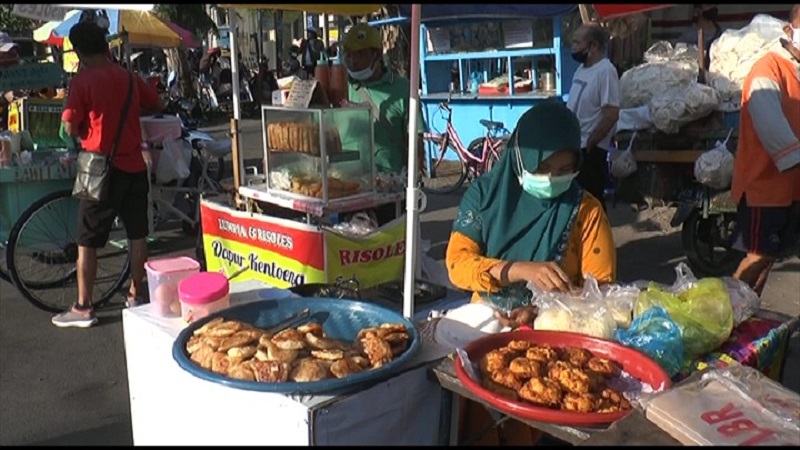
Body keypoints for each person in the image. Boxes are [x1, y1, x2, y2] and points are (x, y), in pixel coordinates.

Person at [445, 102, 616, 445]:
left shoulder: (586, 212)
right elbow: (457, 264)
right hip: (485, 326)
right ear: (520, 159)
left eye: (565, 168)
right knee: (474, 418)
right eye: (544, 167)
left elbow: (604, 294)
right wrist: (516, 270)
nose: (554, 180)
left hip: (552, 337)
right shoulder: (484, 196)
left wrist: (543, 310)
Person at [52, 21, 163, 328]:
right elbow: (155, 101)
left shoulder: (83, 81)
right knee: (137, 233)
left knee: (87, 240)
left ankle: (84, 306)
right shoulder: (128, 77)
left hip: (99, 169)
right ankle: (136, 294)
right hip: (135, 166)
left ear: (79, 50)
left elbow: (69, 127)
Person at [730, 4, 800, 297]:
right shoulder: (768, 68)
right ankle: (727, 312)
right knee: (757, 256)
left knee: (769, 257)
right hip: (763, 186)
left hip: (789, 188)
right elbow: (769, 123)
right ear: (789, 30)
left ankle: (749, 313)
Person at [340, 23, 426, 224]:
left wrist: (414, 184)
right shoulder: (340, 86)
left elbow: (416, 141)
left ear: (377, 55)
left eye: (360, 55)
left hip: (390, 192)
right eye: (348, 55)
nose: (352, 61)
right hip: (348, 190)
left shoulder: (403, 89)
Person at [566, 23, 620, 210]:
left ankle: (600, 238)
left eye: (577, 42)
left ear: (594, 45)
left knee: (592, 203)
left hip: (591, 151)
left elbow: (612, 113)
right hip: (575, 146)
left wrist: (591, 143)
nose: (574, 47)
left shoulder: (605, 71)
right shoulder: (581, 70)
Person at [676, 4, 723, 68]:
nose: (712, 8)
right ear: (698, 10)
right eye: (708, 5)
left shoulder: (723, 34)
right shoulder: (689, 35)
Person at [0, 32, 21, 131]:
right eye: (5, 53)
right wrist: (4, 96)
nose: (12, 55)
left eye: (12, 52)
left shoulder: (20, 71)